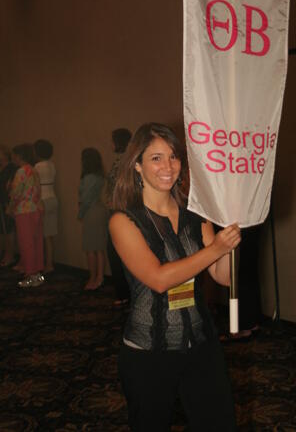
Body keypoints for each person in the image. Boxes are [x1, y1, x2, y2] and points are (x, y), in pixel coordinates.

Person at [109, 123, 240, 432]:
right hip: (149, 352)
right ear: (137, 166)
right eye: (156, 158)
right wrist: (216, 248)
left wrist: (232, 237)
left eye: (173, 157)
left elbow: (222, 277)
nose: (167, 166)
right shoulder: (124, 221)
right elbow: (158, 279)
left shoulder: (195, 214)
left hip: (200, 343)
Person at [8, 144, 44, 287]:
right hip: (36, 208)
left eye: (14, 155)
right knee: (36, 242)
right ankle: (37, 274)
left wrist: (10, 207)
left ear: (20, 156)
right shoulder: (33, 170)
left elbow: (16, 193)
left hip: (24, 210)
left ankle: (30, 275)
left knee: (26, 243)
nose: (13, 157)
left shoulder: (21, 171)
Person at [105, 128, 132, 306]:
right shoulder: (130, 160)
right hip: (126, 211)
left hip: (120, 211)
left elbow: (115, 188)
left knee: (116, 252)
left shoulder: (121, 162)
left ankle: (123, 294)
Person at [78, 147, 108, 290]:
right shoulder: (99, 175)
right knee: (99, 248)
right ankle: (100, 278)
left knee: (91, 248)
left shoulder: (89, 177)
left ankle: (94, 278)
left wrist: (80, 214)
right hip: (99, 210)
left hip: (92, 212)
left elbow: (86, 199)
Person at [34, 139, 58, 273]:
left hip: (42, 200)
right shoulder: (52, 165)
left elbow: (35, 185)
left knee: (42, 234)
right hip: (53, 198)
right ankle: (50, 263)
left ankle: (45, 264)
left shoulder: (37, 166)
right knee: (50, 235)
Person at [0, 145, 18, 266]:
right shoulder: (1, 168)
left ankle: (10, 255)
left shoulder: (12, 168)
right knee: (4, 229)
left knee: (9, 229)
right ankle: (7, 253)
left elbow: (12, 186)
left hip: (8, 203)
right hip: (2, 202)